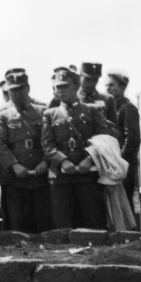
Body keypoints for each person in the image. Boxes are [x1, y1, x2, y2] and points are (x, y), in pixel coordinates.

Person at [42, 67, 110, 229]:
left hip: (88, 175)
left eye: (65, 86)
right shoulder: (50, 114)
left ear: (76, 86)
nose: (60, 90)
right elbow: (47, 144)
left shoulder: (92, 110)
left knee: (93, 221)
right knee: (62, 222)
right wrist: (63, 161)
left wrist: (89, 159)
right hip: (62, 177)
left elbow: (104, 139)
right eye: (58, 87)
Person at [0, 72, 51, 233]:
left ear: (28, 88)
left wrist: (45, 162)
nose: (17, 93)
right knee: (16, 219)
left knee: (42, 218)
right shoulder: (3, 114)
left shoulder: (43, 110)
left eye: (21, 89)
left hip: (39, 173)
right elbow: (0, 144)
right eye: (13, 90)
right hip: (16, 176)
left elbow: (50, 140)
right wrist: (14, 165)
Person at [104, 70, 141, 209]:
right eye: (106, 85)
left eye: (112, 85)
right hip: (111, 164)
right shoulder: (109, 108)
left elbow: (132, 139)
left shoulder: (128, 108)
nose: (108, 88)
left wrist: (119, 161)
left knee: (124, 205)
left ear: (122, 87)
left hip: (123, 165)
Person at [77, 62, 119, 131]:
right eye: (87, 79)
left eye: (95, 79)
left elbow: (114, 127)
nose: (91, 83)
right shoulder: (70, 98)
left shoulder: (108, 99)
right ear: (80, 76)